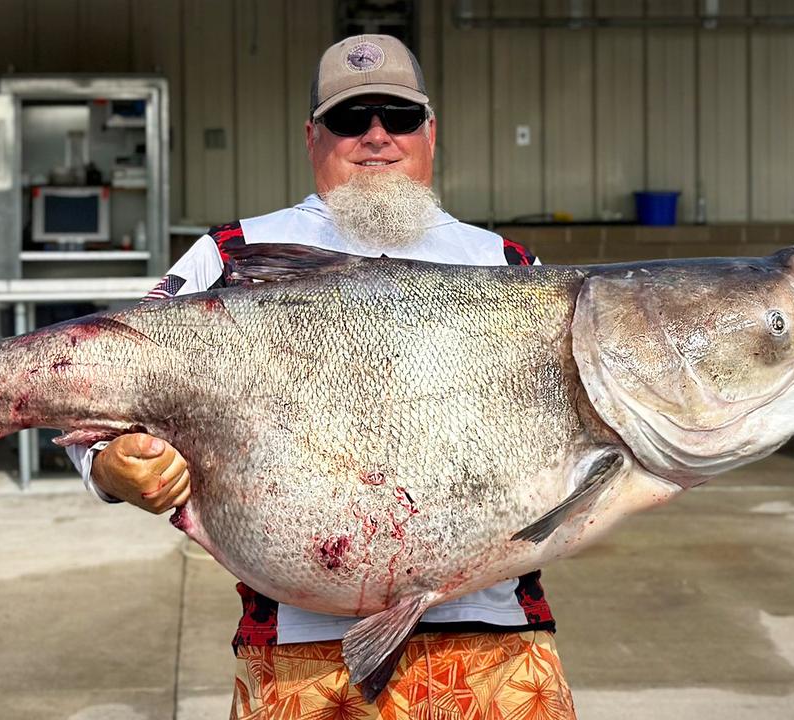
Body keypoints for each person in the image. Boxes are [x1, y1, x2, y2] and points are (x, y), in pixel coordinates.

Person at [67, 34, 577, 719]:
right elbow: (95, 372)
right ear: (312, 136)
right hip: (299, 653)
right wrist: (107, 466)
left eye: (396, 117)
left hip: (495, 646)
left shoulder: (508, 265)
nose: (376, 137)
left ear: (430, 131)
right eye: (349, 118)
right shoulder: (234, 255)